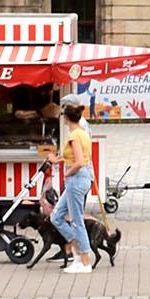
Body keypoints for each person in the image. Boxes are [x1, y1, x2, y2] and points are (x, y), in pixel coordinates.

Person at [50, 99, 98, 271]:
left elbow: (78, 161)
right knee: (56, 216)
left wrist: (67, 173)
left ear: (66, 118)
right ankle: (78, 251)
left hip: (76, 178)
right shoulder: (82, 132)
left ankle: (84, 261)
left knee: (77, 221)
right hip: (81, 177)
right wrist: (59, 159)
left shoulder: (74, 136)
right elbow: (77, 156)